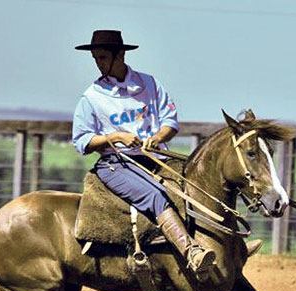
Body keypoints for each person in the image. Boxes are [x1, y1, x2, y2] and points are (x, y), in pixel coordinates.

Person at [72, 29, 216, 277]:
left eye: (103, 57)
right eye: (95, 58)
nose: (98, 63)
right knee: (156, 194)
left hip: (156, 158)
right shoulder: (91, 97)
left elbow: (170, 121)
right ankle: (190, 252)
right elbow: (81, 140)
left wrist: (158, 137)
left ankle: (226, 247)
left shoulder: (149, 84)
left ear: (121, 55)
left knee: (197, 189)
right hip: (115, 164)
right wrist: (115, 137)